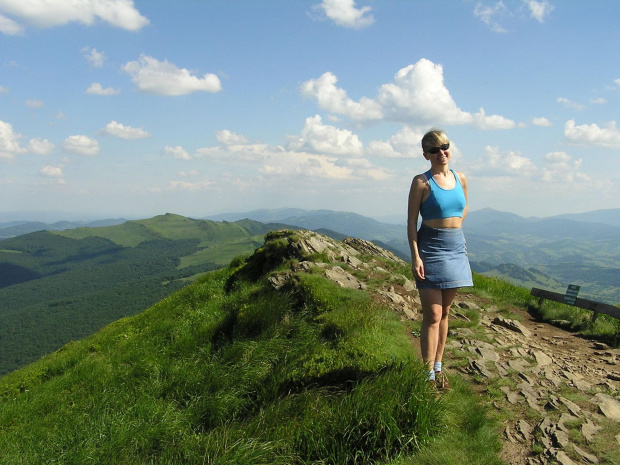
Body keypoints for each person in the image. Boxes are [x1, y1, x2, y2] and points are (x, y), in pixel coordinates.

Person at [407, 128, 473, 390]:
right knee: (433, 314)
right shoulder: (421, 182)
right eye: (433, 149)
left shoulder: (461, 178)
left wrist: (455, 227)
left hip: (456, 246)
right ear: (426, 155)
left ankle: (438, 366)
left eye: (444, 146)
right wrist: (416, 256)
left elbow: (464, 206)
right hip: (431, 247)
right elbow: (412, 221)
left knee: (445, 312)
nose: (441, 152)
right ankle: (427, 375)